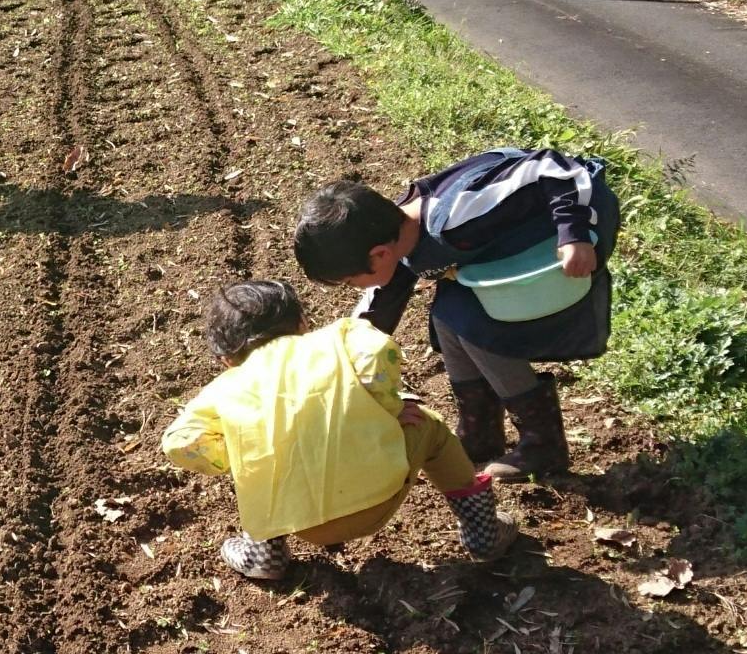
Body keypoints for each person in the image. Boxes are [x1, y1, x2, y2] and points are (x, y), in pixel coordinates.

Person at [291, 150, 618, 481]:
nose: (353, 287)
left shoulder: (458, 215)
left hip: (572, 228)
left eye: (350, 281)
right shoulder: (395, 236)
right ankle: (481, 433)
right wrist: (341, 363)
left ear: (379, 254)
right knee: (448, 315)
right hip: (512, 246)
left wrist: (573, 233)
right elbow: (376, 309)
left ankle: (544, 443)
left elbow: (552, 167)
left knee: (472, 323)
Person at [161, 280, 517, 582]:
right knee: (430, 425)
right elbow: (379, 351)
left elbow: (180, 441)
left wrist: (233, 456)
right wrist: (389, 408)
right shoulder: (340, 338)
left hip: (299, 523)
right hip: (378, 496)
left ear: (226, 359)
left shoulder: (226, 386)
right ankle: (483, 533)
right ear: (303, 322)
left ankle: (263, 554)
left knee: (251, 451)